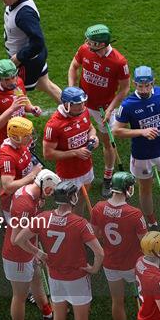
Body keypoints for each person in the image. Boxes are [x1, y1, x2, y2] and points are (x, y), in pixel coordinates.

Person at [15, 181, 104, 320]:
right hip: (77, 278)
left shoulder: (42, 217)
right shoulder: (80, 223)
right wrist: (94, 268)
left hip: (55, 277)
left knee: (59, 319)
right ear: (72, 198)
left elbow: (19, 239)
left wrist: (39, 253)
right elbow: (99, 252)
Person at [113, 66, 160, 230]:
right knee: (145, 190)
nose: (144, 89)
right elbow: (116, 130)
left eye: (148, 85)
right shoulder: (128, 104)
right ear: (134, 84)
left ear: (153, 82)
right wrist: (142, 132)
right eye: (140, 86)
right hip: (141, 155)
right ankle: (152, 222)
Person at [68, 24, 130, 198]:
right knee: (75, 135)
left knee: (108, 143)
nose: (87, 43)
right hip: (82, 104)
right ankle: (76, 172)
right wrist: (72, 91)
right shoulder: (84, 50)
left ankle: (108, 177)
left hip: (104, 108)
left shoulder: (119, 62)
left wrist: (110, 109)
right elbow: (73, 67)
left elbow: (125, 88)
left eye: (91, 41)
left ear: (101, 44)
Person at [2, 169, 61, 320]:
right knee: (19, 297)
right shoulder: (26, 205)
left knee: (36, 281)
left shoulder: (30, 192)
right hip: (18, 255)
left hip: (27, 250)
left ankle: (47, 313)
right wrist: (38, 252)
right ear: (47, 188)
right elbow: (16, 240)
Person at [90, 171, 148, 320]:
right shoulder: (135, 213)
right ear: (127, 189)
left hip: (111, 264)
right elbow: (145, 243)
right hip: (133, 264)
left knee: (117, 301)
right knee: (145, 298)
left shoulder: (98, 208)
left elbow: (96, 234)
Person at [0, 0, 61, 101]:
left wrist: (19, 57)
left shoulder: (24, 15)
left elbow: (38, 42)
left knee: (12, 93)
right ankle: (75, 110)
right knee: (45, 85)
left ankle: (16, 120)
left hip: (26, 61)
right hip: (33, 56)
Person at [43, 87, 99, 214]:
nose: (82, 106)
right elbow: (48, 154)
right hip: (68, 175)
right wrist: (75, 152)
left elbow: (91, 128)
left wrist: (93, 137)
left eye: (83, 103)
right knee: (66, 207)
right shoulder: (54, 125)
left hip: (86, 168)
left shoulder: (83, 112)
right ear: (66, 104)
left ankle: (77, 222)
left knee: (81, 201)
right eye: (77, 104)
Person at [0, 59, 42, 156]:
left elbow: (23, 99)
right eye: (7, 79)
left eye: (13, 77)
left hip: (24, 139)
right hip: (7, 147)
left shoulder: (18, 82)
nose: (12, 81)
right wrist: (12, 109)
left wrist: (32, 108)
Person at [0, 117, 42, 222]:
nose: (31, 138)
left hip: (26, 192)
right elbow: (8, 187)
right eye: (27, 135)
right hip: (14, 199)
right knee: (17, 227)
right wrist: (32, 175)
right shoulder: (7, 157)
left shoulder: (21, 144)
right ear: (15, 138)